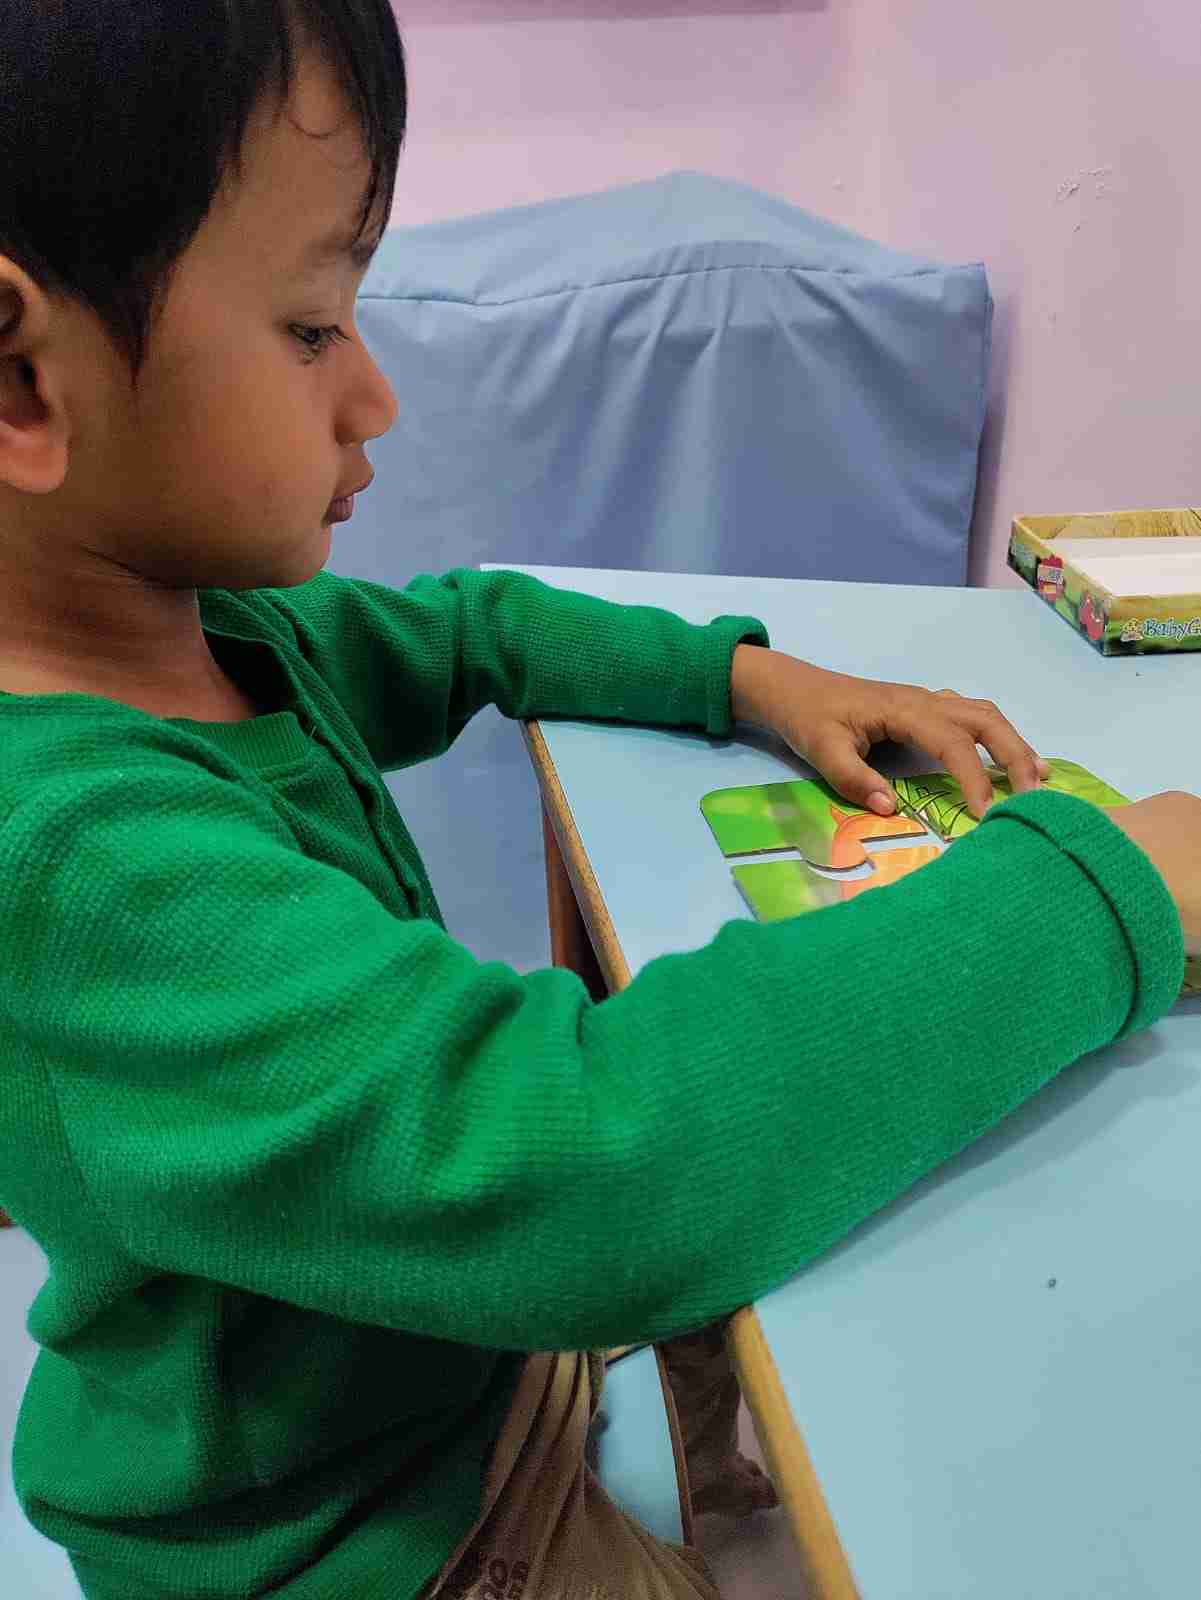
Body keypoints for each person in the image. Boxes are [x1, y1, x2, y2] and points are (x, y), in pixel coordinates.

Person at [1, 4, 1197, 1599]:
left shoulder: (209, 632)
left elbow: (475, 628)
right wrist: (1102, 887)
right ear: (20, 381)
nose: (374, 397)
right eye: (310, 328)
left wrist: (743, 677)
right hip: (360, 1535)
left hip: (438, 1356)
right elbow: (580, 1168)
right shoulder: (71, 858)